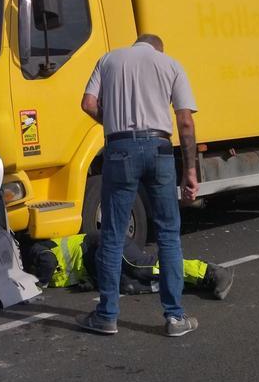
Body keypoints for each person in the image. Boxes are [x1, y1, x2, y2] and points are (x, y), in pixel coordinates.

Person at [78, 33, 201, 337]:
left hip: (119, 150)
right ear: (159, 47)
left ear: (136, 44)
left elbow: (88, 103)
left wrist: (112, 121)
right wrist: (190, 170)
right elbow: (185, 122)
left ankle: (107, 315)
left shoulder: (108, 60)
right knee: (168, 234)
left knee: (112, 234)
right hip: (159, 148)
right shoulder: (170, 65)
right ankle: (174, 317)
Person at [25, 233, 233, 299]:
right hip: (94, 266)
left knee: (139, 267)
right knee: (131, 286)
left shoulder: (32, 252)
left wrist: (38, 285)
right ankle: (194, 283)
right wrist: (87, 282)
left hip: (97, 244)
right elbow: (71, 269)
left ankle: (210, 271)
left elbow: (49, 261)